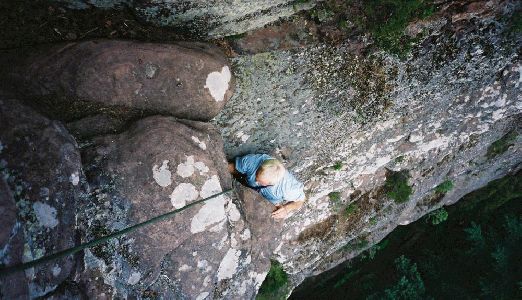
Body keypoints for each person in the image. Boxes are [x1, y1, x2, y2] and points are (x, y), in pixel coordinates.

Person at [228, 153, 305, 219]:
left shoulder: (289, 188)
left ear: (272, 183)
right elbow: (231, 168)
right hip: (244, 184)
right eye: (256, 175)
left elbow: (301, 201)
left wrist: (286, 209)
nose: (256, 181)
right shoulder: (252, 161)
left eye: (260, 182)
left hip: (269, 201)